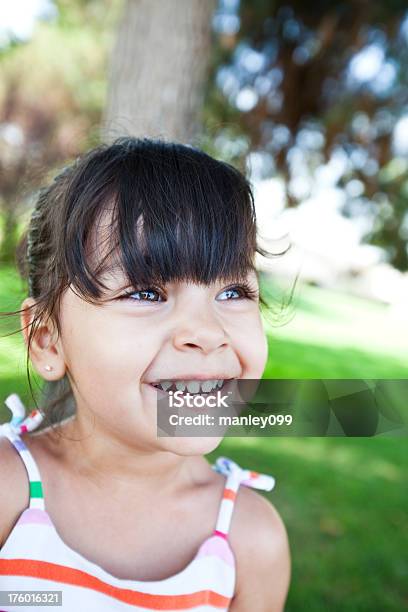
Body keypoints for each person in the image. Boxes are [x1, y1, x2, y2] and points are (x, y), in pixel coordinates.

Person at [0, 137, 291, 611]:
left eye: (235, 291)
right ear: (48, 340)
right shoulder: (9, 492)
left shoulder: (251, 542)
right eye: (146, 293)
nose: (207, 333)